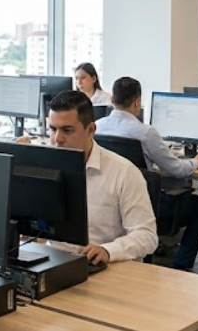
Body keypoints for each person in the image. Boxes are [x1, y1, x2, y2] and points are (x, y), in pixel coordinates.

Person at [94, 77, 198, 270]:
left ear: (112, 100)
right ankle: (180, 267)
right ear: (137, 102)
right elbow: (176, 170)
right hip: (146, 205)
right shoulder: (145, 132)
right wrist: (196, 161)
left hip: (109, 204)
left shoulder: (97, 126)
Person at [44, 91, 157, 265]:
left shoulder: (124, 172)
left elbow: (147, 236)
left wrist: (108, 250)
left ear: (90, 130)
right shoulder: (44, 166)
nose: (57, 139)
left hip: (104, 266)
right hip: (55, 261)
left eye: (67, 130)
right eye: (52, 129)